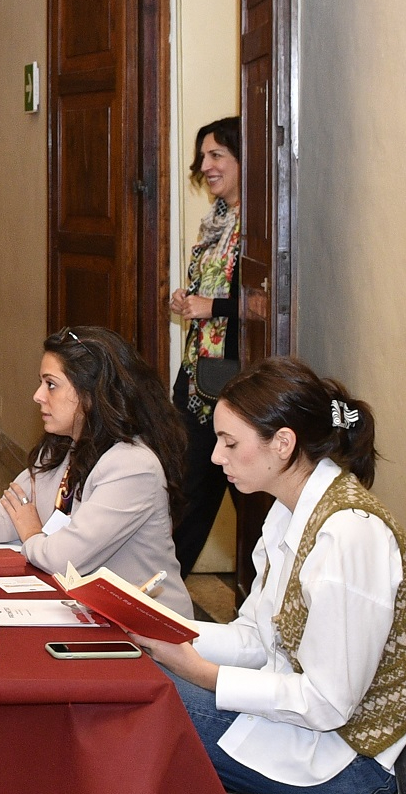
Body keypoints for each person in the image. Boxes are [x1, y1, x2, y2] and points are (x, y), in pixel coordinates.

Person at [139, 358, 404, 794]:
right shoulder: (287, 509)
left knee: (142, 702)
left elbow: (328, 704)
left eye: (229, 442)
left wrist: (203, 673)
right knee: (140, 676)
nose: (215, 455)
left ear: (283, 443)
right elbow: (257, 638)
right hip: (300, 732)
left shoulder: (350, 533)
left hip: (348, 760)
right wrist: (162, 629)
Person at [0, 325, 192, 614]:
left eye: (51, 384)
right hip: (88, 614)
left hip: (146, 630)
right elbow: (12, 516)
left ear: (91, 392)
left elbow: (62, 559)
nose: (38, 395)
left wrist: (31, 533)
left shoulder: (133, 467)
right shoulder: (61, 447)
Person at [170, 116, 247, 575]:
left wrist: (211, 306)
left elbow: (266, 303)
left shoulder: (259, 227)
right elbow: (209, 292)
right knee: (185, 494)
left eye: (217, 154)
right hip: (197, 379)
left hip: (237, 384)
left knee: (253, 503)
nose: (206, 166)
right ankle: (158, 596)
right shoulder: (215, 221)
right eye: (203, 156)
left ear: (244, 158)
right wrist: (188, 299)